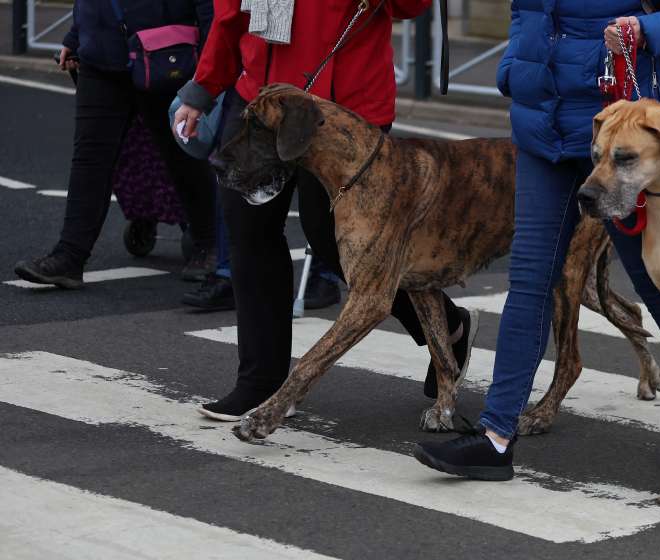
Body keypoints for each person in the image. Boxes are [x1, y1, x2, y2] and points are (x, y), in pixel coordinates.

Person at [413, 0, 660, 482]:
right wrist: (515, 67)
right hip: (542, 124)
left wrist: (646, 28)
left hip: (624, 131)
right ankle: (496, 437)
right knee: (530, 279)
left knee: (659, 283)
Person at [174, 0, 465, 420]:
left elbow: (410, 6)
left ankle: (446, 327)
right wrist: (202, 89)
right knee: (248, 232)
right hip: (262, 98)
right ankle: (261, 383)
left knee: (334, 242)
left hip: (340, 111)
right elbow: (229, 13)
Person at [14, 0, 218, 290]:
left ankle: (210, 245)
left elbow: (208, 7)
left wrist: (210, 71)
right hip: (102, 58)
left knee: (181, 154)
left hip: (164, 53)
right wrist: (75, 37)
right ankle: (70, 256)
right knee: (90, 159)